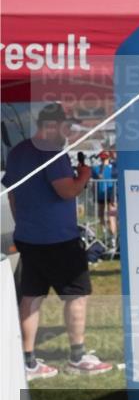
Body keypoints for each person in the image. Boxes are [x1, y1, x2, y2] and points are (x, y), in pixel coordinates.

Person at [1, 104, 113, 379]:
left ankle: (28, 362)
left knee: (31, 296)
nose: (68, 133)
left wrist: (23, 224)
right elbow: (66, 191)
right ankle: (78, 356)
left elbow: (13, 193)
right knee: (76, 295)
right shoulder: (52, 153)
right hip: (58, 238)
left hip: (28, 236)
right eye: (65, 127)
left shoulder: (18, 152)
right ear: (51, 125)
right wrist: (84, 176)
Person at [94, 151, 118, 241]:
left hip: (111, 195)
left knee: (111, 216)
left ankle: (113, 238)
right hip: (100, 195)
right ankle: (106, 233)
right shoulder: (96, 168)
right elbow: (95, 182)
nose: (103, 160)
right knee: (101, 215)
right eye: (102, 158)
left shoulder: (113, 168)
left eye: (105, 158)